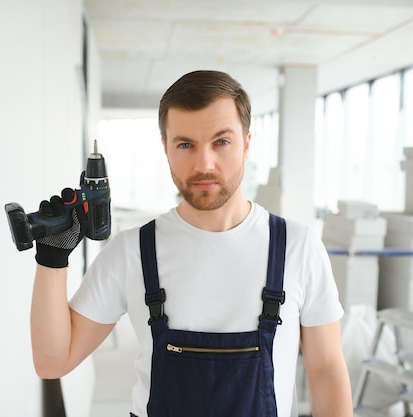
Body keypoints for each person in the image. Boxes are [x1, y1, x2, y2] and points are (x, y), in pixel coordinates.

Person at [30, 70, 353, 417]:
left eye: (221, 141)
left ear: (246, 143)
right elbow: (52, 362)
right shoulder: (132, 252)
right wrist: (52, 257)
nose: (204, 164)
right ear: (166, 149)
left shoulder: (297, 247)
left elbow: (327, 373)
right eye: (185, 144)